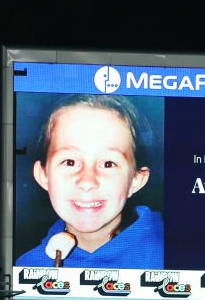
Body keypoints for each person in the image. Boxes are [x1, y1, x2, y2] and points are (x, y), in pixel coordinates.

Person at [15, 94, 163, 269]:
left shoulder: (175, 252)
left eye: (108, 164)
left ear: (136, 180)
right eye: (70, 162)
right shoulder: (29, 266)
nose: (87, 182)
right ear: (43, 176)